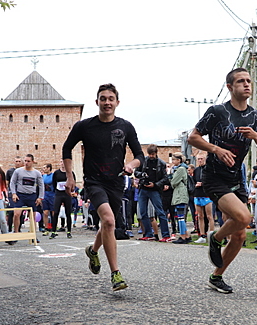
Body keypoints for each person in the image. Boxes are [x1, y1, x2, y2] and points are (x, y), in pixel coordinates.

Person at [188, 67, 257, 293]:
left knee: (239, 234)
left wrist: (256, 136)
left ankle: (216, 276)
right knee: (244, 216)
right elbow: (193, 137)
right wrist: (215, 149)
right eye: (241, 81)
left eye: (248, 81)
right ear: (230, 87)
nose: (247, 84)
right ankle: (215, 238)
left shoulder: (256, 117)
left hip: (237, 179)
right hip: (215, 177)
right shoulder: (217, 112)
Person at [62, 83, 144, 291]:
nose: (107, 102)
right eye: (103, 98)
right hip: (94, 181)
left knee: (108, 224)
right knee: (108, 220)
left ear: (117, 102)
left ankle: (93, 250)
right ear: (96, 101)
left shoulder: (126, 126)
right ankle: (116, 274)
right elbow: (67, 147)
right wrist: (70, 176)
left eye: (111, 99)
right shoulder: (84, 126)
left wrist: (131, 165)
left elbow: (140, 156)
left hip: (116, 181)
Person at [134, 144, 171, 241]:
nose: (151, 156)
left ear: (156, 153)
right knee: (143, 212)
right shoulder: (143, 161)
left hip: (154, 190)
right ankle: (148, 234)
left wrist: (155, 185)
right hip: (143, 189)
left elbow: (165, 178)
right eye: (149, 154)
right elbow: (136, 173)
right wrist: (142, 175)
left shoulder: (161, 163)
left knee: (160, 212)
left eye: (153, 154)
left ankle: (166, 235)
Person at [10, 154, 44, 236]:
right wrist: (14, 193)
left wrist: (40, 197)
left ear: (32, 162)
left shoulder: (37, 173)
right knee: (16, 214)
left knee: (33, 216)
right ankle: (16, 232)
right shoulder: (18, 171)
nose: (26, 163)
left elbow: (41, 185)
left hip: (32, 195)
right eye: (25, 161)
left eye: (28, 161)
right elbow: (12, 182)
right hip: (20, 195)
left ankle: (33, 235)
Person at [50, 160, 75, 239]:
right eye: (61, 162)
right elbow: (54, 183)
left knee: (68, 213)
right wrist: (57, 191)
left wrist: (71, 191)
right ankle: (53, 231)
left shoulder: (70, 173)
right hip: (59, 194)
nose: (62, 163)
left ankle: (69, 231)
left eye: (64, 162)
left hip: (67, 194)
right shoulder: (56, 173)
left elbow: (73, 183)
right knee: (56, 212)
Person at [169, 152, 191, 244]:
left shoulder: (180, 169)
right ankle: (186, 235)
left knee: (181, 217)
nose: (173, 161)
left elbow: (173, 182)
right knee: (180, 216)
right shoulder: (181, 169)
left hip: (180, 194)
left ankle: (182, 236)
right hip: (180, 193)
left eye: (174, 159)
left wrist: (170, 175)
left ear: (179, 160)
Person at [193, 153, 214, 244]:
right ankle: (202, 235)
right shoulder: (196, 170)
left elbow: (211, 181)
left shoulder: (209, 169)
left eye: (201, 159)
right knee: (200, 216)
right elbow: (193, 180)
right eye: (198, 159)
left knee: (209, 216)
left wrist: (202, 184)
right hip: (198, 194)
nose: (200, 160)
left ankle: (212, 234)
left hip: (207, 195)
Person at [41, 163, 54, 233]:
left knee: (53, 212)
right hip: (45, 195)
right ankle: (46, 227)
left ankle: (53, 226)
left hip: (52, 195)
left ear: (49, 168)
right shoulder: (43, 176)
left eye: (45, 167)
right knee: (45, 212)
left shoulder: (53, 176)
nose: (44, 169)